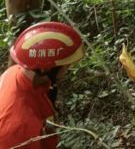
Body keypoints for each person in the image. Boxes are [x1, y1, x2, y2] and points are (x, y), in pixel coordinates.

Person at [0, 21, 84, 149]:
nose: (69, 68)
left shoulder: (14, 72)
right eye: (67, 65)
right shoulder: (21, 128)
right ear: (46, 69)